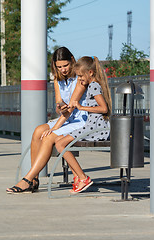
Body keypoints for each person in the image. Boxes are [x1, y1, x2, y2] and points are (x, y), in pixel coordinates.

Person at [6, 47, 88, 194]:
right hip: (66, 118)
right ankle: (35, 180)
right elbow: (60, 107)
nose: (63, 70)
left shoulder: (80, 78)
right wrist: (60, 107)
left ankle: (27, 179)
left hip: (80, 120)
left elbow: (70, 110)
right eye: (59, 67)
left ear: (72, 60)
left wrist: (55, 128)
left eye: (65, 65)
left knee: (49, 137)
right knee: (38, 131)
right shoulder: (58, 79)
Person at [54, 56, 112, 194]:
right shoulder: (93, 85)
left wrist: (81, 107)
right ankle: (78, 177)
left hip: (95, 128)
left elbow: (104, 109)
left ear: (90, 73)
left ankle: (82, 177)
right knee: (58, 140)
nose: (79, 79)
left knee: (60, 144)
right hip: (91, 126)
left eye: (80, 76)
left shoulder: (93, 86)